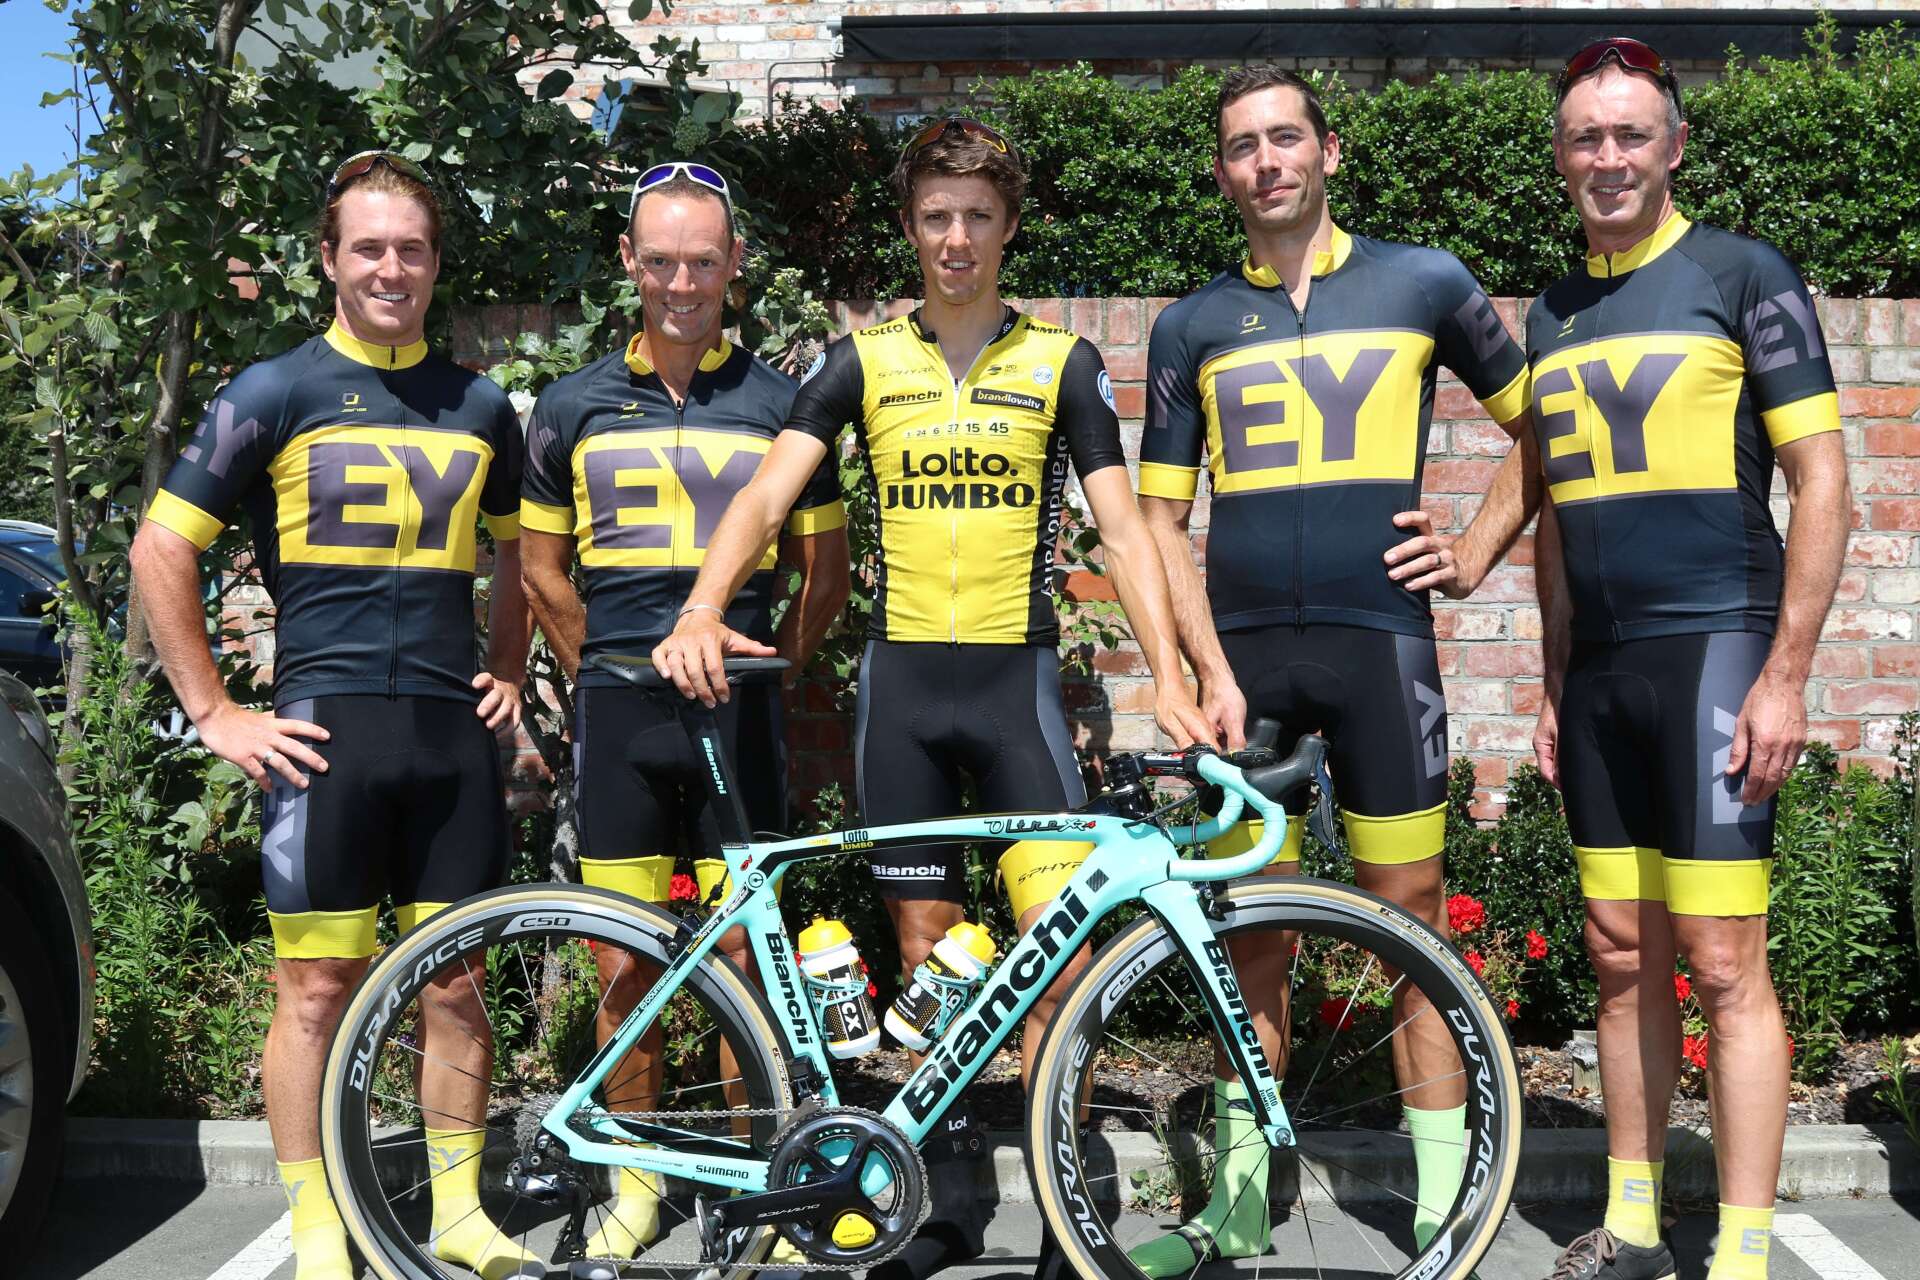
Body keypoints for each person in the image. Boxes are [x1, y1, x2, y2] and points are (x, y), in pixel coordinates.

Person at [651, 116, 1213, 1279]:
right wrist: (705, 605)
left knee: (1060, 962)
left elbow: (1123, 527)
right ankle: (944, 1202)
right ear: (912, 230)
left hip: (1017, 687)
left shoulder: (1059, 362)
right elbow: (763, 498)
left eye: (978, 217)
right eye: (935, 217)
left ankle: (1070, 1213)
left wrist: (1169, 675)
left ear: (1009, 227)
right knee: (931, 960)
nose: (956, 239)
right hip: (900, 688)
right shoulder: (864, 361)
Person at [1404, 37, 1850, 1280]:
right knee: (1615, 943)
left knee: (1722, 959)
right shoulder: (1553, 308)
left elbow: (1823, 481)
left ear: (1674, 146)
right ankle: (1641, 1221)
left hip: (1716, 649)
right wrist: (1544, 669)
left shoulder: (1741, 272)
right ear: (1561, 157)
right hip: (1597, 672)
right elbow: (1542, 477)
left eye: (1630, 135)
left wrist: (1788, 675)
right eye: (1587, 138)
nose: (1609, 157)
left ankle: (1748, 1250)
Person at [1132, 65, 1536, 1274]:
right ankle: (1245, 1198)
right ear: (1223, 173)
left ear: (1330, 152)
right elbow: (1156, 523)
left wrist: (1470, 547)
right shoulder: (1190, 324)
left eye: (1286, 137)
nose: (1268, 161)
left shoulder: (1423, 280)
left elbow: (1544, 429)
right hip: (1242, 670)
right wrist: (1189, 666)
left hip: (1381, 649)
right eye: (1244, 146)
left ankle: (1444, 1195)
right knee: (1249, 931)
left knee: (1410, 924)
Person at [130, 152, 536, 1280]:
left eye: (411, 247)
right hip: (323, 736)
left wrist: (508, 656)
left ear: (437, 261)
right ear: (329, 259)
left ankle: (457, 1211)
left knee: (454, 984)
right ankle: (316, 1222)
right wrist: (213, 710)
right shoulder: (274, 389)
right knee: (315, 989)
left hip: (451, 740)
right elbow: (162, 547)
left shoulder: (482, 403)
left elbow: (522, 549)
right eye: (368, 246)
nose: (390, 267)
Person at [518, 161, 849, 1272]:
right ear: (628, 261)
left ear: (734, 266)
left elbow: (825, 567)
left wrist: (776, 670)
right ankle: (639, 1182)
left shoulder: (779, 403)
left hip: (741, 721)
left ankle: (768, 1182)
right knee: (625, 966)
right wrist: (608, 669)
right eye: (660, 260)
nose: (680, 283)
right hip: (622, 719)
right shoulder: (567, 404)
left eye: (702, 262)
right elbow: (540, 572)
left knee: (750, 968)